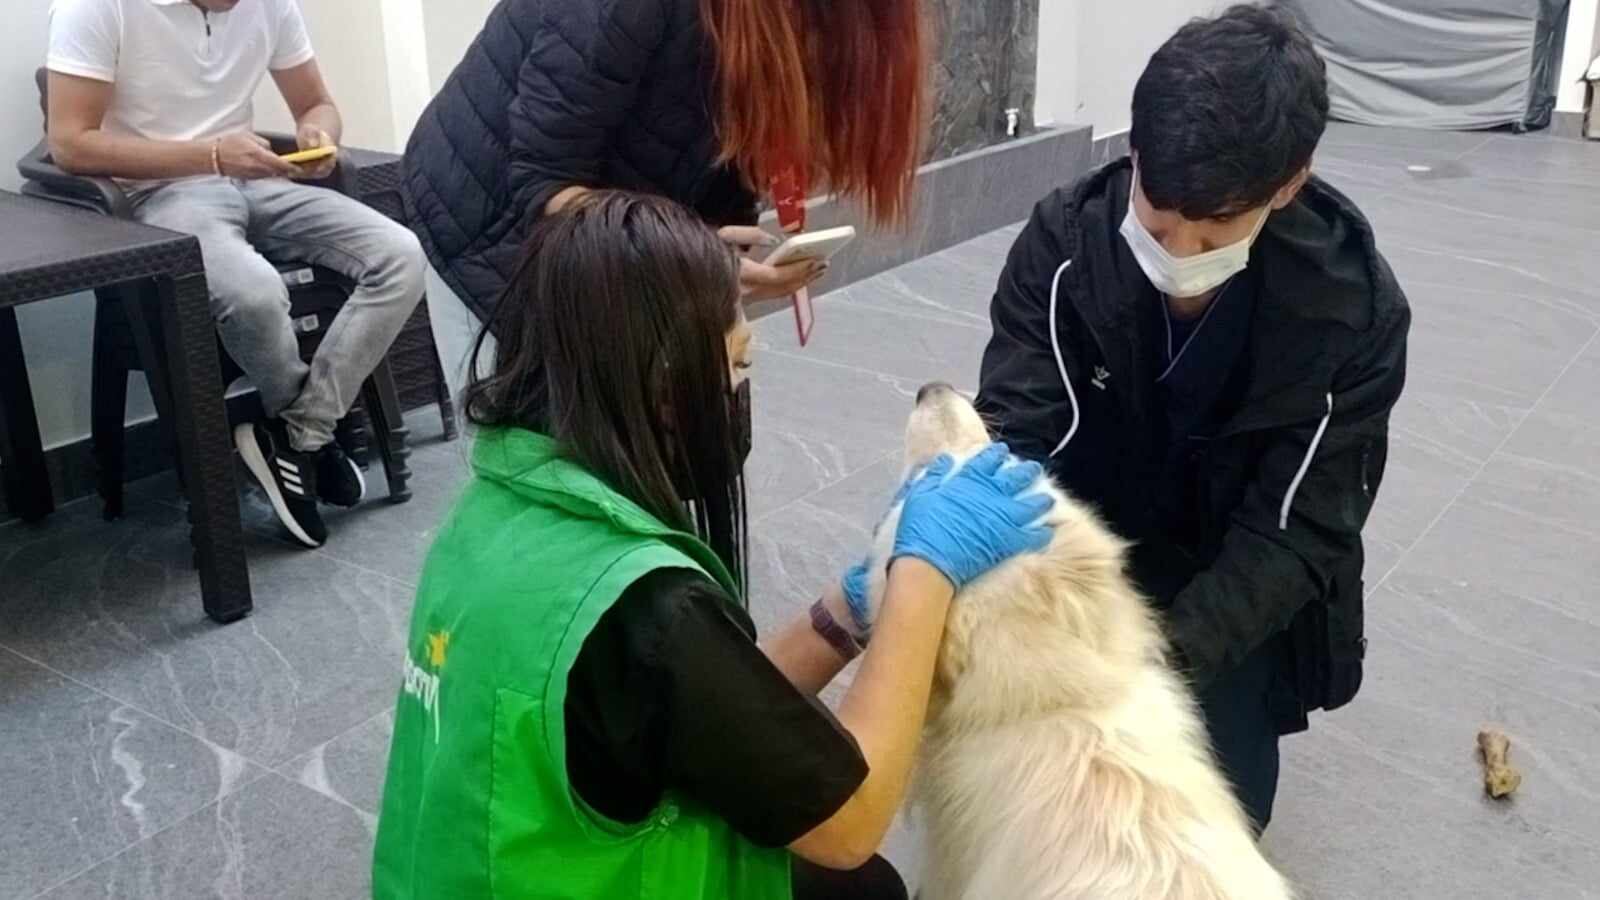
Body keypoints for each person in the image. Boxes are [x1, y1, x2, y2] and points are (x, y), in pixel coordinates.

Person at [372, 192, 1056, 899]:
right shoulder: (643, 601)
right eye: (737, 368)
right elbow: (849, 824)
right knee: (863, 886)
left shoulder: (494, 511)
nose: (736, 392)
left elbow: (694, 699)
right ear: (663, 385)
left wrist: (845, 612)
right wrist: (923, 574)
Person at [974, 5, 1410, 832]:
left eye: (1214, 231)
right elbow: (1017, 427)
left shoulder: (1353, 313)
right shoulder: (1065, 244)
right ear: (1134, 152)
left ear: (1289, 184)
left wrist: (1153, 659)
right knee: (1020, 800)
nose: (1179, 253)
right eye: (1160, 220)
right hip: (1084, 541)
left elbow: (1297, 530)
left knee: (1212, 816)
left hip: (1228, 570)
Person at [45, 0, 427, 549]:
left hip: (260, 181)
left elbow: (316, 102)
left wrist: (317, 134)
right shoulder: (98, 7)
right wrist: (212, 156)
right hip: (164, 194)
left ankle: (298, 436)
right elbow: (70, 143)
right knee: (252, 293)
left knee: (401, 254)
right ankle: (309, 443)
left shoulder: (269, 5)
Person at [402, 0, 929, 321]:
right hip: (492, 230)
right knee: (545, 472)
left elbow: (723, 145)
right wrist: (697, 259)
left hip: (628, 218)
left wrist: (721, 268)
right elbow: (547, 189)